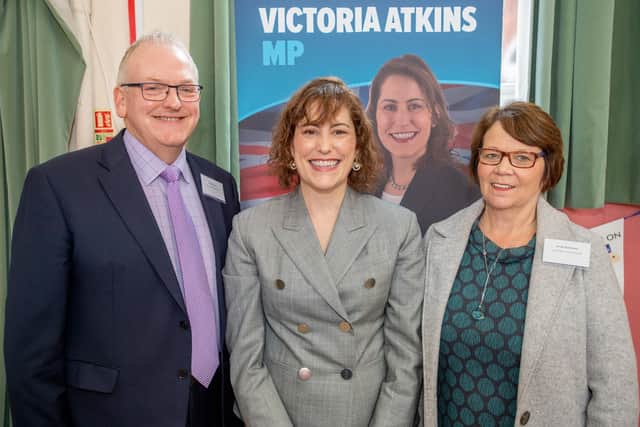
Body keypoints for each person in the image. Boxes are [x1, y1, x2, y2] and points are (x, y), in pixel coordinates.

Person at [4, 32, 242, 427]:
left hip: (212, 410)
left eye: (186, 88)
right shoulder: (58, 186)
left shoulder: (220, 185)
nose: (173, 101)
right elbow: (31, 351)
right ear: (120, 101)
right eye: (153, 88)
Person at [421, 102, 639, 426]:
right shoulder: (439, 241)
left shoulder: (585, 251)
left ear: (547, 167)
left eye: (522, 157)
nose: (502, 169)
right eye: (491, 154)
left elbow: (615, 386)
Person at [223, 77, 424, 426]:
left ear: (359, 147)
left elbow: (405, 359)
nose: (325, 146)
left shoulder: (399, 228)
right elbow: (245, 359)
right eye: (311, 131)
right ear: (290, 145)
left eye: (340, 132)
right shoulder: (250, 230)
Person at [366, 54, 480, 234]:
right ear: (375, 116)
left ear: (434, 114)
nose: (402, 120)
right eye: (390, 107)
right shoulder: (364, 185)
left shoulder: (461, 191)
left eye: (414, 106)